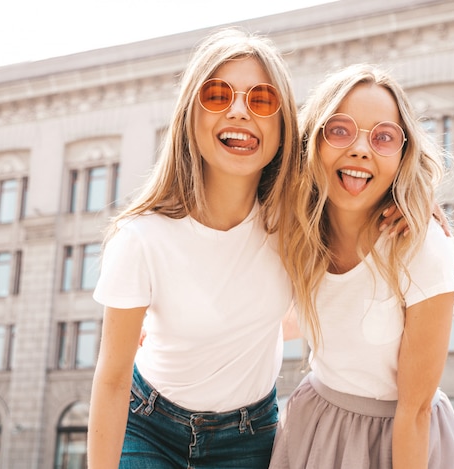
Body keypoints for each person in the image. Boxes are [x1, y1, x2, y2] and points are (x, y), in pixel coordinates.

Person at [87, 28, 301, 469]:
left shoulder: (298, 225)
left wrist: (410, 200)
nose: (239, 111)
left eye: (261, 100)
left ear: (283, 127)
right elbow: (111, 379)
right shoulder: (141, 238)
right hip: (148, 426)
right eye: (218, 95)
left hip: (250, 436)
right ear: (191, 116)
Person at [270, 64, 454, 469]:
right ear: (314, 141)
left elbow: (414, 412)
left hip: (398, 438)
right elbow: (291, 320)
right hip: (314, 427)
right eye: (340, 130)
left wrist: (418, 195)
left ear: (402, 156)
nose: (361, 149)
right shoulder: (297, 228)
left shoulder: (420, 246)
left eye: (383, 138)